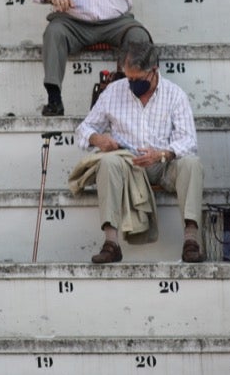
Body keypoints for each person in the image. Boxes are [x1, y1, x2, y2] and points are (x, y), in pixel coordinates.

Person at [74, 42, 204, 264]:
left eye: (138, 80)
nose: (132, 84)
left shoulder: (175, 95)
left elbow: (189, 140)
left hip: (163, 164)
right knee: (107, 163)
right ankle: (111, 243)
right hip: (127, 164)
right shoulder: (114, 91)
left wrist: (162, 154)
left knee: (191, 163)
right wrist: (98, 139)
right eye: (129, 78)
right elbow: (83, 130)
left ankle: (191, 240)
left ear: (154, 71)